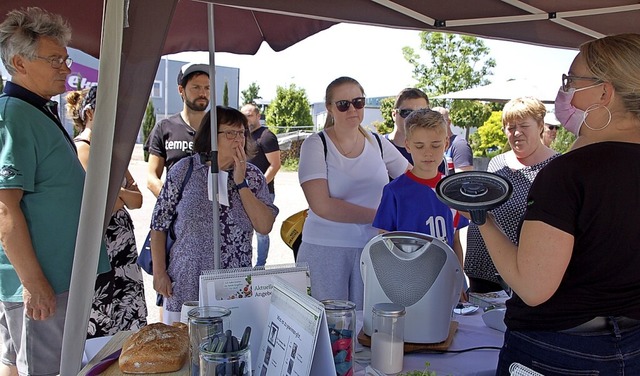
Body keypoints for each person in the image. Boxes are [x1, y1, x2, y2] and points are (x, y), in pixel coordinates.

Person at [470, 33, 640, 375]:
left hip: (558, 351)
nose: (564, 91)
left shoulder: (568, 173)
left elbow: (533, 288)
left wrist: (481, 218)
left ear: (604, 92)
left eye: (572, 81)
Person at [0, 7, 109, 375]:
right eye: (56, 60)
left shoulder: (37, 110)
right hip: (43, 284)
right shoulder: (14, 115)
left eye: (66, 59)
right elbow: (4, 208)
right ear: (19, 62)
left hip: (56, 278)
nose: (67, 68)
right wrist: (34, 283)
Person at [151, 106, 278, 324]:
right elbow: (159, 225)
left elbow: (264, 226)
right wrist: (159, 272)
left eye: (241, 132)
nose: (238, 139)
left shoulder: (254, 176)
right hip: (186, 282)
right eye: (230, 133)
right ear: (211, 136)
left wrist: (241, 183)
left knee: (230, 348)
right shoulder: (184, 170)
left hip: (234, 286)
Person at [297, 77, 410, 309]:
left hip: (372, 250)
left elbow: (412, 181)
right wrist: (383, 216)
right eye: (343, 104)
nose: (352, 109)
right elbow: (322, 205)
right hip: (324, 250)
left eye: (358, 102)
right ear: (329, 107)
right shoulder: (316, 144)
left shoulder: (378, 142)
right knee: (327, 329)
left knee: (368, 326)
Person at [66, 86, 148, 338]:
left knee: (128, 331)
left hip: (123, 254)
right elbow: (102, 204)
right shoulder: (82, 149)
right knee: (101, 331)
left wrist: (116, 192)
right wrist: (120, 193)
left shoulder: (112, 152)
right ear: (90, 113)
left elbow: (137, 200)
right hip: (102, 252)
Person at [464, 97, 558, 294]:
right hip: (481, 268)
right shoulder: (496, 163)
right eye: (510, 127)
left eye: (524, 125)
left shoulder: (556, 167)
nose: (516, 133)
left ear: (540, 125)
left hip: (523, 273)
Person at [373, 109, 468, 272]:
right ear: (408, 145)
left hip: (444, 278)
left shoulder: (452, 190)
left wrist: (458, 279)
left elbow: (456, 241)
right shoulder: (394, 192)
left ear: (446, 144)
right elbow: (384, 244)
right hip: (408, 282)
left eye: (435, 145)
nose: (428, 153)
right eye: (419, 146)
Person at [146, 63, 210, 197]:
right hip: (175, 214)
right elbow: (152, 178)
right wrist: (173, 204)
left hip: (214, 214)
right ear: (181, 90)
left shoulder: (221, 128)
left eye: (207, 88)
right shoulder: (164, 127)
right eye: (196, 87)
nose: (203, 93)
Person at [240, 103, 281, 267]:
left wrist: (260, 185)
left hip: (264, 192)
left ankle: (260, 265)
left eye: (249, 115)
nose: (246, 118)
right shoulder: (243, 135)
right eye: (243, 115)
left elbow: (275, 165)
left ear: (258, 116)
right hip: (244, 190)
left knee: (261, 232)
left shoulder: (267, 137)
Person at [384, 88, 430, 164]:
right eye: (407, 113)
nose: (415, 118)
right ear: (394, 114)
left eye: (422, 113)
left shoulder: (433, 155)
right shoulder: (377, 148)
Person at [432, 106, 474, 173]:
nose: (435, 124)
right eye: (431, 122)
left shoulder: (460, 145)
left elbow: (462, 179)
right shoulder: (429, 144)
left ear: (448, 122)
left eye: (440, 121)